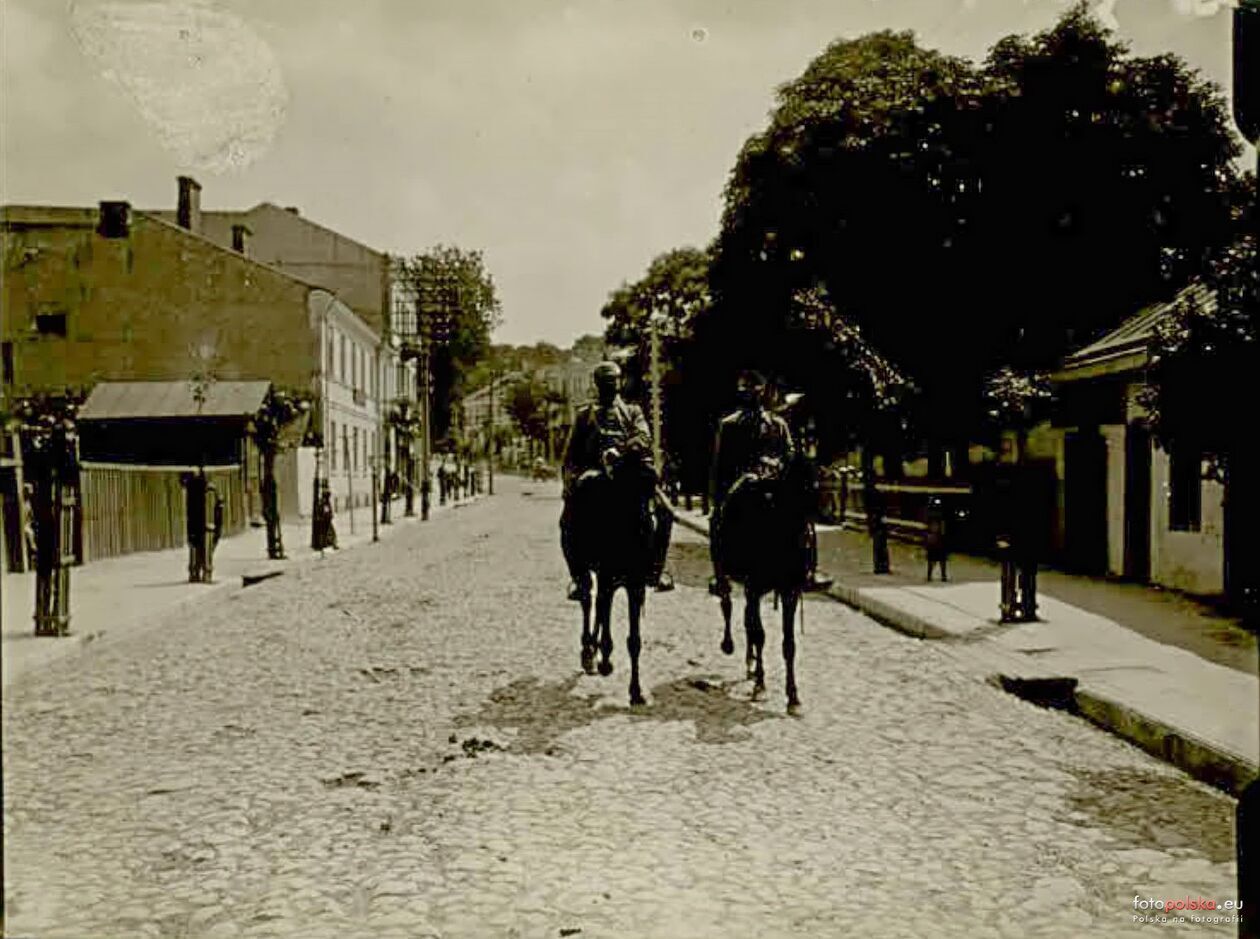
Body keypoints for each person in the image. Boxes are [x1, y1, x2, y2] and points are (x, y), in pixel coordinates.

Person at [560, 361, 673, 601]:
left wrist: (619, 452)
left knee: (665, 512)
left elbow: (644, 437)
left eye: (613, 381)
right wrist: (571, 483)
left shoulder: (633, 412)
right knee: (567, 523)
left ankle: (655, 571)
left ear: (620, 383)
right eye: (604, 383)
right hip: (593, 481)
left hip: (629, 476)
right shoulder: (584, 416)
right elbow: (570, 457)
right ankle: (580, 579)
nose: (609, 387)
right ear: (596, 385)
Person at [707, 370, 794, 598]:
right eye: (745, 391)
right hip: (742, 486)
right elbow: (720, 465)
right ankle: (720, 576)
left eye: (754, 390)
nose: (750, 396)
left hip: (773, 484)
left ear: (762, 392)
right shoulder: (729, 425)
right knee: (717, 523)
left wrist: (776, 464)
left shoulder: (778, 425)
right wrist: (718, 500)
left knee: (800, 520)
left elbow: (789, 455)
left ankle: (806, 569)